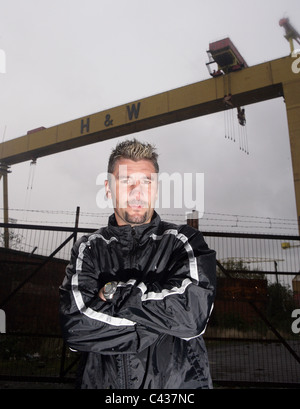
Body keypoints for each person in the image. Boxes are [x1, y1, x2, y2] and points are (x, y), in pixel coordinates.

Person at [59, 138, 216, 389]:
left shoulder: (184, 241)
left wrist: (114, 294)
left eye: (146, 181)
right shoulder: (89, 248)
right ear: (108, 188)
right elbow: (76, 329)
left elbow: (191, 317)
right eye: (126, 181)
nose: (137, 192)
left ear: (156, 188)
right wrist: (162, 325)